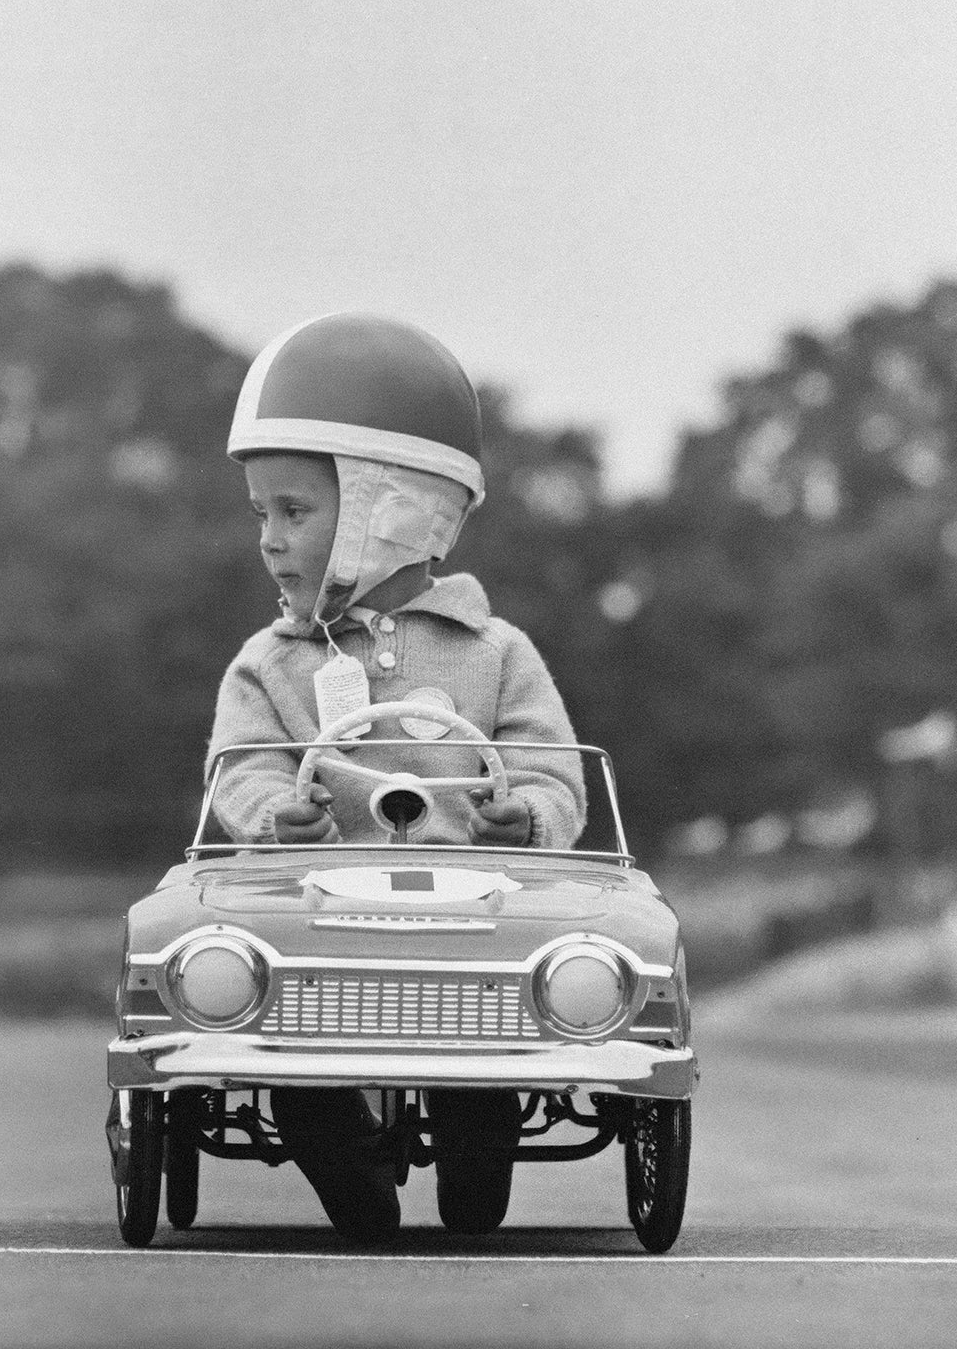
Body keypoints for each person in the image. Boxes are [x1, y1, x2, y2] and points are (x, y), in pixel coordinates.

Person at [204, 312, 585, 1243]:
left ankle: (475, 1160)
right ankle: (355, 1183)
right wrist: (268, 816)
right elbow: (243, 769)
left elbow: (552, 771)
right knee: (299, 1066)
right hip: (315, 910)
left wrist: (524, 815)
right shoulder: (270, 662)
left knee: (484, 1062)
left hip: (474, 913)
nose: (269, 539)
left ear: (394, 512)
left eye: (293, 512)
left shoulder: (495, 651)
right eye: (263, 515)